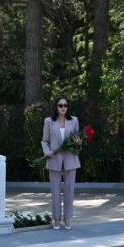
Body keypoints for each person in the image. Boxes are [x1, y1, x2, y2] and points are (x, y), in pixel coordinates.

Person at [41, 97, 81, 230]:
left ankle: (68, 218)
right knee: (55, 190)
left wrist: (79, 143)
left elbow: (77, 140)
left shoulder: (74, 120)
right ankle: (56, 218)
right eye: (60, 105)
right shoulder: (48, 121)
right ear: (56, 107)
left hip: (70, 159)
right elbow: (44, 141)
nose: (63, 107)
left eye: (65, 105)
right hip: (54, 159)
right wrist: (47, 152)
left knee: (69, 190)